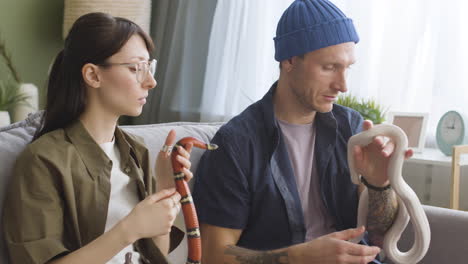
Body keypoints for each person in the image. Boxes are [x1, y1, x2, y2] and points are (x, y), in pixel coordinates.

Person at [192, 0, 413, 263]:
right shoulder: (236, 145)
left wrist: (380, 185)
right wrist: (298, 257)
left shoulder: (351, 128)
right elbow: (214, 255)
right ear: (289, 60)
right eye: (329, 67)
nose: (342, 85)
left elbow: (379, 233)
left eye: (347, 68)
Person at [2, 12, 194, 264]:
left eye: (150, 67)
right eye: (137, 68)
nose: (151, 81)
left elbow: (154, 254)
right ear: (93, 75)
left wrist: (165, 190)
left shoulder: (136, 151)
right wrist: (129, 229)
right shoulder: (43, 160)